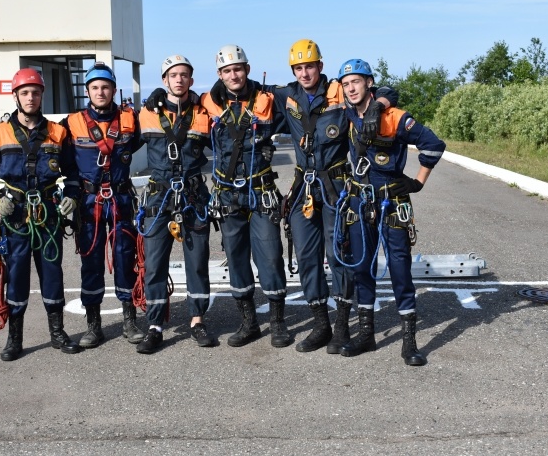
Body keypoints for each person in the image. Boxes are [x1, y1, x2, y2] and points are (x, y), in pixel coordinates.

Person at [265, 39, 380, 354]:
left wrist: (379, 106)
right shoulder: (287, 96)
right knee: (306, 256)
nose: (304, 73)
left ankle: (342, 326)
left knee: (338, 254)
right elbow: (247, 92)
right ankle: (321, 325)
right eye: (298, 68)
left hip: (336, 187)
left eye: (309, 66)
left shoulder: (339, 92)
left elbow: (380, 92)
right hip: (303, 188)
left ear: (320, 66)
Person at [335, 59, 445, 365]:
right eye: (345, 84)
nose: (350, 88)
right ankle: (366, 335)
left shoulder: (393, 116)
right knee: (362, 267)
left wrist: (417, 182)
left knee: (399, 268)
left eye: (356, 81)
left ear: (369, 82)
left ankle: (409, 342)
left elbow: (434, 145)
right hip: (359, 202)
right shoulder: (346, 113)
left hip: (392, 203)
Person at [0, 68, 82, 361]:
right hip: (15, 217)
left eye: (36, 92)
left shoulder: (58, 132)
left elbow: (73, 174)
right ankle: (14, 338)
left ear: (42, 95)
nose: (31, 97)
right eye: (25, 92)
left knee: (53, 275)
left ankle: (57, 333)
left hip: (48, 216)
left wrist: (70, 196)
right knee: (16, 277)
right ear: (16, 96)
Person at [200, 44, 290, 348]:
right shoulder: (208, 103)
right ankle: (248, 323)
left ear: (248, 69)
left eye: (238, 68)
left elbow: (310, 94)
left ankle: (278, 323)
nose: (233, 74)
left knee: (270, 256)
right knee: (236, 259)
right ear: (220, 75)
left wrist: (382, 96)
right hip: (227, 195)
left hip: (260, 191)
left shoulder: (270, 98)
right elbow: (181, 113)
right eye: (227, 71)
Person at [134, 55, 217, 353]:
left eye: (184, 75)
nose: (179, 79)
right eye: (173, 75)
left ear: (191, 81)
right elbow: (119, 146)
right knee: (155, 265)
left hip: (193, 198)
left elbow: (230, 143)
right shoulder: (145, 114)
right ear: (164, 80)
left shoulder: (203, 114)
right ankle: (155, 326)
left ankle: (197, 320)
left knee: (197, 264)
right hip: (159, 198)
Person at [60, 62, 144, 348]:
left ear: (113, 89)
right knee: (91, 260)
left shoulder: (131, 120)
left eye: (105, 87)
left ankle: (129, 321)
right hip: (88, 201)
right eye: (94, 87)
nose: (100, 92)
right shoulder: (71, 124)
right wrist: (69, 194)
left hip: (121, 199)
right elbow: (64, 164)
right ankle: (94, 326)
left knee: (125, 257)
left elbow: (152, 137)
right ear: (87, 91)